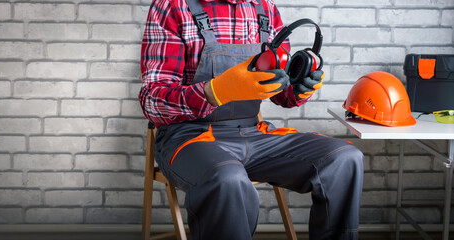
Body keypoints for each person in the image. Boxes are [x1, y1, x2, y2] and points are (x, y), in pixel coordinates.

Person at [139, 0, 364, 239]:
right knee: (227, 178)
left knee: (344, 159)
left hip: (255, 133)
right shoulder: (173, 6)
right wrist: (214, 92)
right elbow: (152, 101)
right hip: (188, 137)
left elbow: (281, 93)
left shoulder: (264, 7)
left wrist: (299, 88)